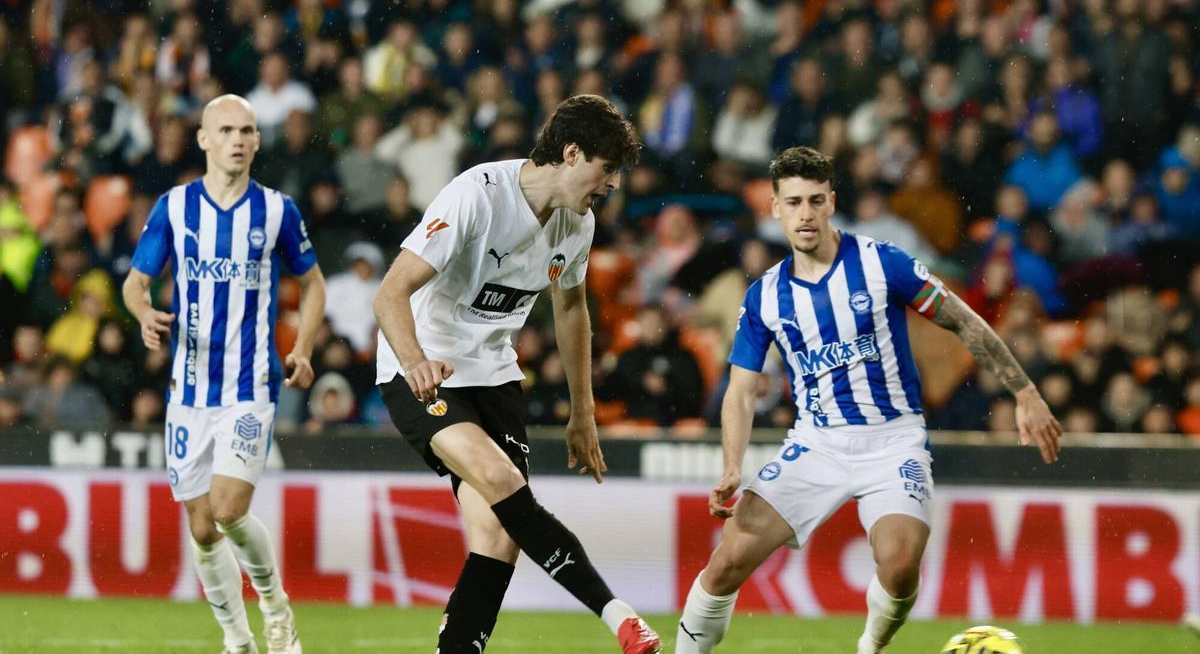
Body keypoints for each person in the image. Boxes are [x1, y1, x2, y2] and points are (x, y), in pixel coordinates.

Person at [674, 147, 1062, 654]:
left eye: (815, 200)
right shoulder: (765, 296)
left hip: (893, 441)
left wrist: (1025, 391)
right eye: (793, 203)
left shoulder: (882, 264)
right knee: (726, 563)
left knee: (900, 567)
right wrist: (731, 465)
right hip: (816, 444)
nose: (805, 214)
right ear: (774, 208)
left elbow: (962, 319)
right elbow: (741, 390)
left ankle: (870, 647)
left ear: (832, 201)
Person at [373, 94, 662, 654]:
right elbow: (390, 293)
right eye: (608, 171)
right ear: (572, 154)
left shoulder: (578, 225)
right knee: (504, 482)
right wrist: (415, 362)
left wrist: (584, 413)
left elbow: (572, 309)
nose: (613, 185)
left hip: (495, 373)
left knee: (497, 537)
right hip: (424, 368)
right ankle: (620, 618)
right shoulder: (475, 197)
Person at [122, 94, 326, 654]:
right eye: (227, 130)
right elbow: (135, 283)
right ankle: (236, 639)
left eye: (248, 130)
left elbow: (313, 282)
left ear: (258, 141)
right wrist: (143, 315)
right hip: (187, 391)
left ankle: (275, 606)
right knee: (202, 526)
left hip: (249, 387)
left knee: (229, 509)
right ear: (205, 140)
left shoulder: (278, 210)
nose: (238, 139)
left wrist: (303, 348)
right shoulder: (175, 207)